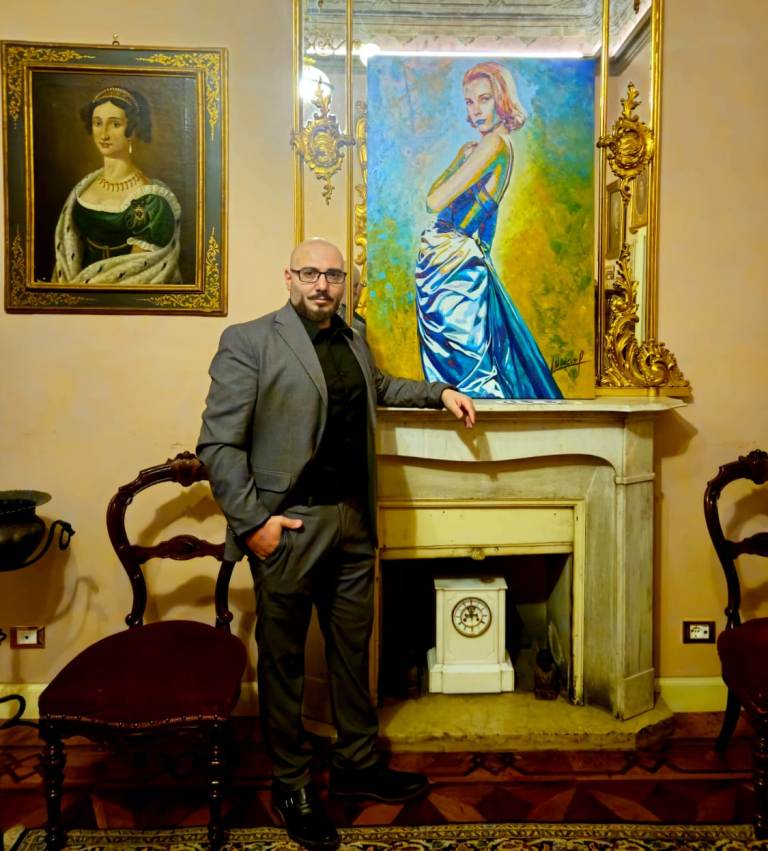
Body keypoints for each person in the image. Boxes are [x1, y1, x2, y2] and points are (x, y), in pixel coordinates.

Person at [197, 237, 475, 851]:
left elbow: (379, 387)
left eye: (332, 275)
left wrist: (439, 393)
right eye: (310, 273)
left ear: (343, 282)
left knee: (353, 653)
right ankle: (292, 784)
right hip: (289, 527)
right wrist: (254, 524)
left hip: (353, 523)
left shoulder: (353, 337)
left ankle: (356, 763)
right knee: (285, 662)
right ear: (288, 277)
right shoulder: (250, 341)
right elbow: (218, 445)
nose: (322, 284)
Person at [415, 62, 562, 400]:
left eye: (484, 99)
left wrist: (458, 160)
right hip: (454, 259)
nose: (476, 110)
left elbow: (434, 200)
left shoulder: (493, 145)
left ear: (502, 100)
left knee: (464, 370)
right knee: (462, 362)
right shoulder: (497, 147)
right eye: (469, 102)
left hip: (452, 261)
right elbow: (487, 224)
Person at [53, 86, 181, 285]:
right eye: (97, 123)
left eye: (115, 124)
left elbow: (137, 276)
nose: (103, 134)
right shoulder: (83, 188)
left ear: (133, 129)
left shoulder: (151, 202)